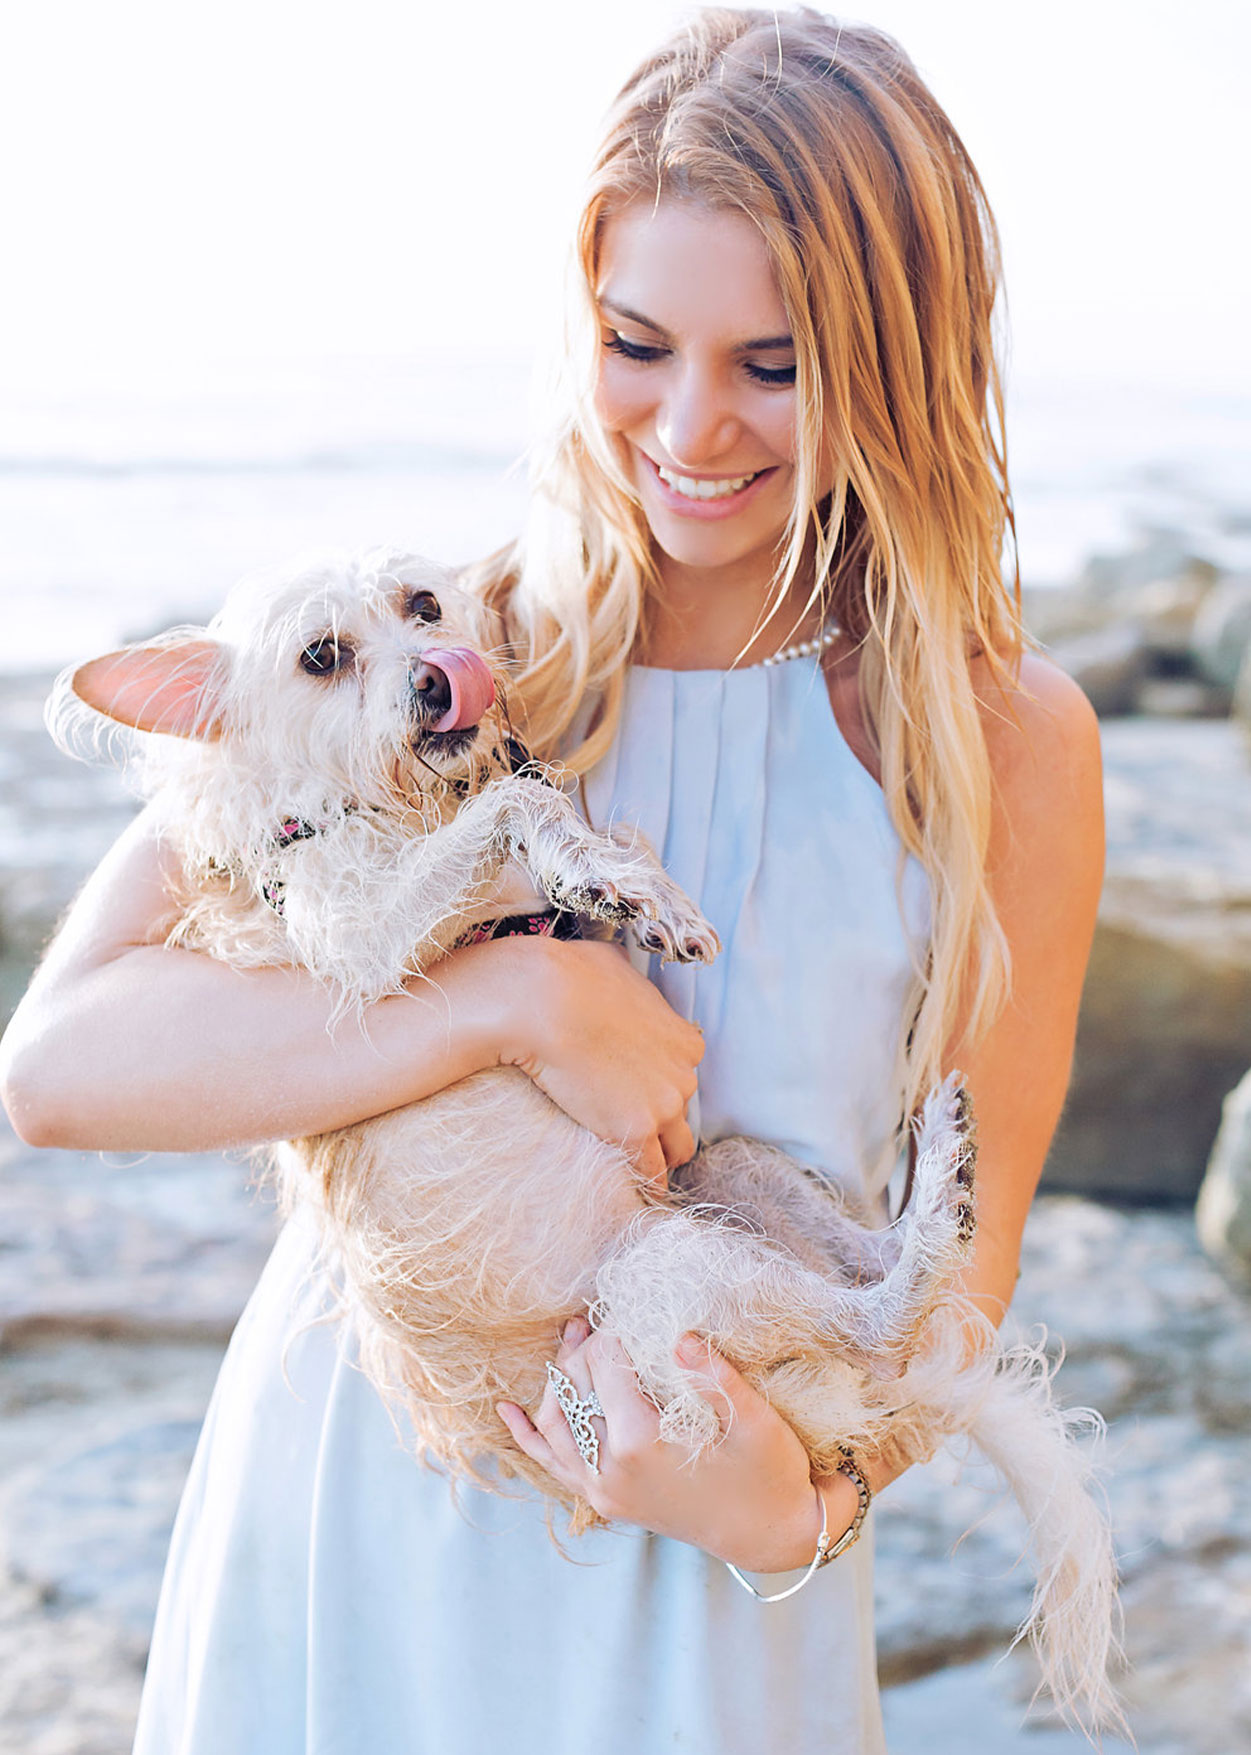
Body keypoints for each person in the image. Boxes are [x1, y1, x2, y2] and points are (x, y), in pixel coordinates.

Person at [0, 9, 1103, 1753]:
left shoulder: (1002, 744)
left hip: (715, 1566)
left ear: (896, 356)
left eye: (775, 362)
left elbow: (963, 1286)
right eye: (636, 342)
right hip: (363, 1492)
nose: (688, 428)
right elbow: (57, 1070)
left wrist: (789, 1515)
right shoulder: (457, 646)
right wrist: (519, 995)